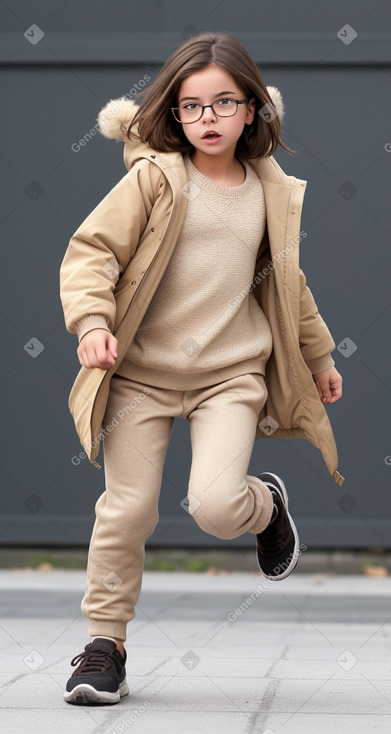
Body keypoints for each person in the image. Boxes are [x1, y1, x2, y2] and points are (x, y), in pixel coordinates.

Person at [59, 31, 343, 705]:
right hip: (141, 377)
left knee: (216, 506)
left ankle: (265, 505)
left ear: (252, 109)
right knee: (126, 510)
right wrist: (93, 323)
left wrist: (319, 355)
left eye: (223, 102)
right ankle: (106, 645)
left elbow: (287, 285)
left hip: (229, 374)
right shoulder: (155, 180)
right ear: (173, 114)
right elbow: (90, 252)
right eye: (191, 107)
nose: (207, 118)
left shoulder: (269, 191)